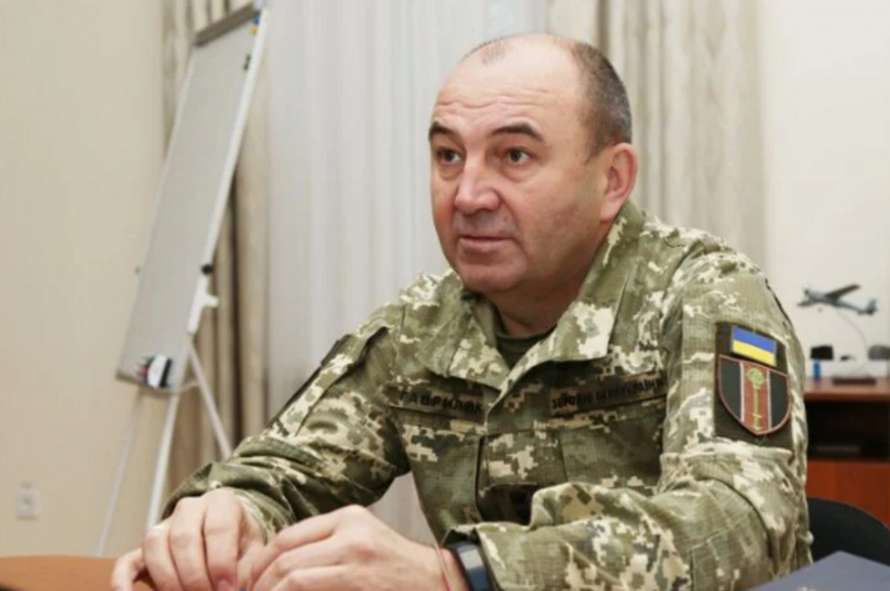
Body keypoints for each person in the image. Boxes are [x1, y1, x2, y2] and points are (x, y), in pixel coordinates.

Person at [112, 33, 810, 591]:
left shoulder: (706, 295)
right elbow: (283, 470)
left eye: (514, 155)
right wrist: (224, 517)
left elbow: (743, 524)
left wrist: (457, 574)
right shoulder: (420, 328)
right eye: (448, 155)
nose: (468, 194)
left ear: (612, 179)